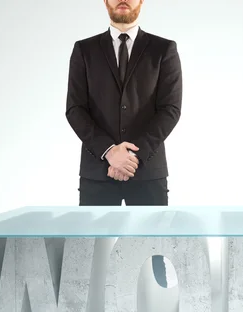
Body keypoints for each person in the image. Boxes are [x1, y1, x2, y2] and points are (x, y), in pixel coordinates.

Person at [66, 0, 182, 288]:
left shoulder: (163, 50)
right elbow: (75, 109)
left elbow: (170, 109)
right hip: (97, 171)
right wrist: (109, 152)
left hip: (147, 172)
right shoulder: (84, 50)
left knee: (154, 258)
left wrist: (130, 155)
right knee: (89, 259)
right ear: (105, 1)